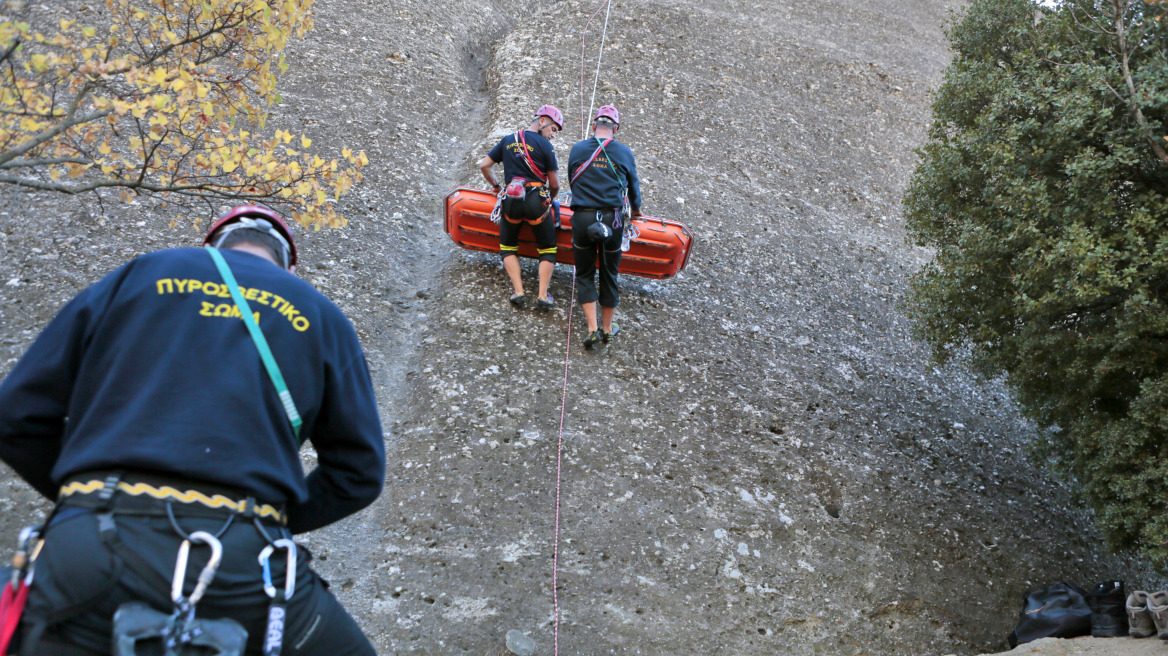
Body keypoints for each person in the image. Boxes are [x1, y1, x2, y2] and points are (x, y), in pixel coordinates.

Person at [0, 205, 386, 655]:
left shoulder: (138, 276)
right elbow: (358, 474)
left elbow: (15, 415)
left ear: (210, 247)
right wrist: (267, 523)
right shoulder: (320, 314)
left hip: (88, 545)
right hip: (244, 563)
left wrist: (84, 501)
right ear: (289, 266)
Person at [566, 105, 642, 349]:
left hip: (583, 218)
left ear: (594, 126)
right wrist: (637, 210)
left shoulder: (578, 149)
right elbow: (633, 188)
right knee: (609, 273)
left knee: (585, 273)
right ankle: (607, 329)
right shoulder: (623, 152)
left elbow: (572, 179)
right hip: (613, 219)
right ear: (616, 128)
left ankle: (591, 329)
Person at [478, 105, 563, 309]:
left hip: (511, 198)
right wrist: (549, 200)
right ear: (542, 121)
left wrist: (497, 187)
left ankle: (518, 291)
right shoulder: (545, 146)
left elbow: (484, 165)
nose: (553, 135)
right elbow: (555, 184)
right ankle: (542, 296)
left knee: (507, 246)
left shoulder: (508, 140)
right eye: (553, 129)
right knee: (548, 249)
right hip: (536, 200)